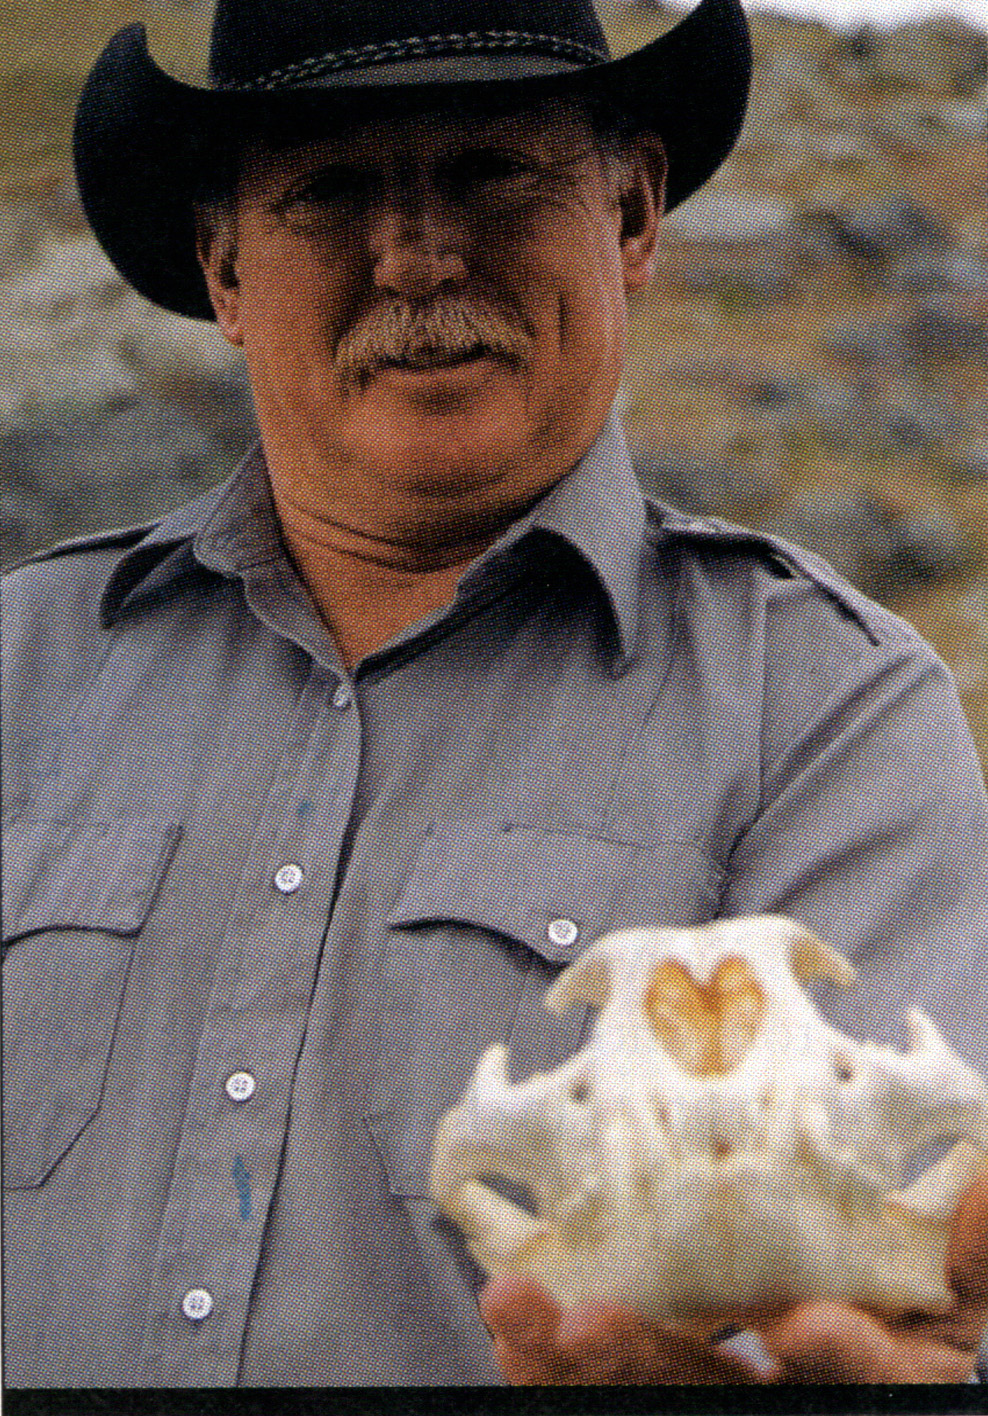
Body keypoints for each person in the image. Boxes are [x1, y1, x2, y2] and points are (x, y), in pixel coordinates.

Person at [2, 0, 986, 1388]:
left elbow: (880, 1278)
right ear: (224, 270)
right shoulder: (17, 673)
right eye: (332, 189)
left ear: (634, 213)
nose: (417, 255)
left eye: (491, 170)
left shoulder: (827, 712)